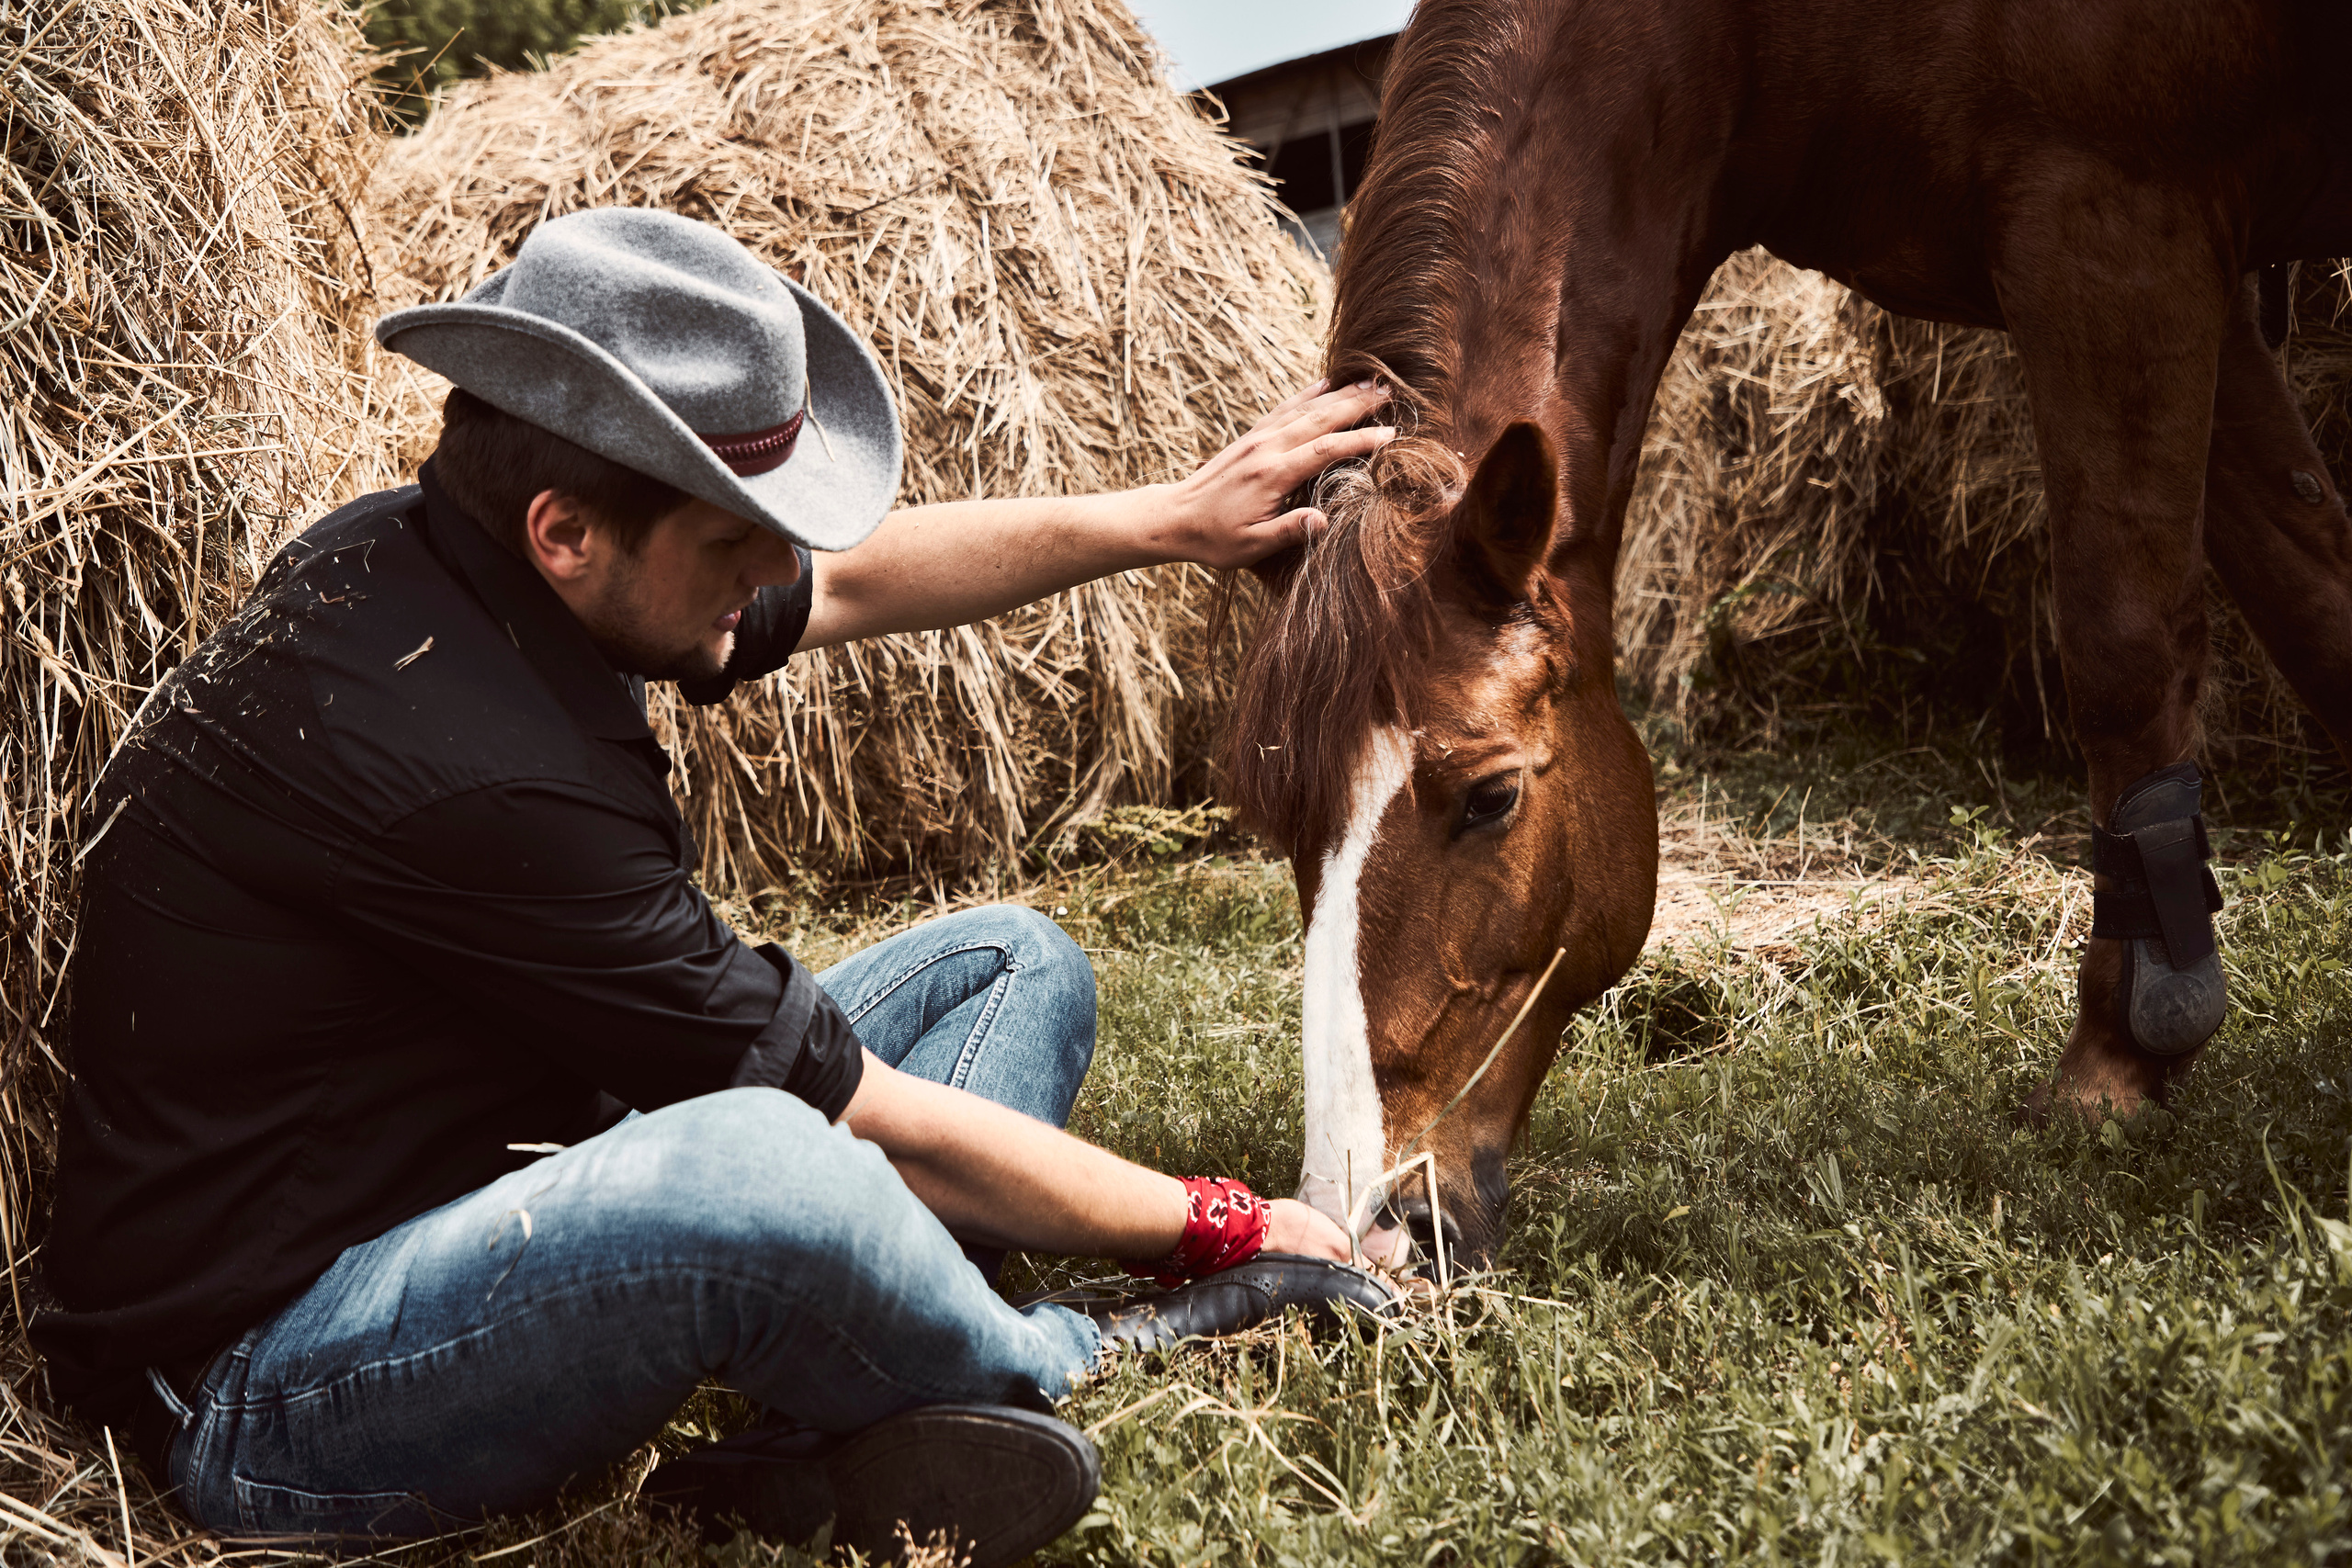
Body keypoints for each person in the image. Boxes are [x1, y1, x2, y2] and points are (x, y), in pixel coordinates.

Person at [30, 209, 1397, 1565]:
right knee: (764, 1168)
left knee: (1009, 961)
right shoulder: (477, 769)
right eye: (738, 538)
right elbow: (850, 1118)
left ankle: (845, 1382)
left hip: (504, 1169)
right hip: (272, 1386)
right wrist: (1223, 1225)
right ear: (567, 530)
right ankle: (1061, 1355)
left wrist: (1164, 519)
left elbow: (853, 580)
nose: (774, 572)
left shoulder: (469, 558)